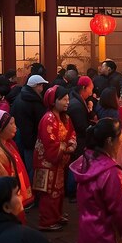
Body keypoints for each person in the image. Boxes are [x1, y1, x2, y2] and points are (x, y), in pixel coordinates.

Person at [33, 86, 76, 231]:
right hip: (46, 161)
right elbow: (51, 143)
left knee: (58, 190)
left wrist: (68, 145)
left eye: (67, 99)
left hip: (57, 161)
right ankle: (46, 221)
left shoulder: (65, 117)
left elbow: (71, 134)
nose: (67, 102)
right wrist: (66, 147)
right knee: (48, 192)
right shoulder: (48, 119)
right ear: (53, 101)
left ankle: (56, 216)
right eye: (63, 99)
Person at [10, 74, 49, 181]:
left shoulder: (21, 97)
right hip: (30, 141)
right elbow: (39, 122)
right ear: (36, 86)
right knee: (32, 168)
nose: (42, 89)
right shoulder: (32, 101)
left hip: (21, 137)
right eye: (41, 86)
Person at [65, 76, 94, 202]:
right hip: (78, 140)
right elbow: (81, 126)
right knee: (75, 165)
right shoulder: (76, 105)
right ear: (83, 88)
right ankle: (72, 192)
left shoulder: (78, 99)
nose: (91, 92)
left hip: (78, 139)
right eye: (90, 89)